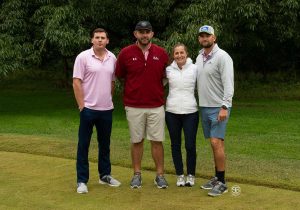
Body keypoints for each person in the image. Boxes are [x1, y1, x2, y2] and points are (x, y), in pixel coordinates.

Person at [115, 21, 169, 189]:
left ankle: (159, 175)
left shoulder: (161, 53)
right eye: (141, 32)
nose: (144, 35)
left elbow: (165, 77)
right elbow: (120, 75)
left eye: (147, 32)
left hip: (156, 105)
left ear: (152, 34)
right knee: (137, 141)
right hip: (133, 105)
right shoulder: (125, 53)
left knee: (157, 141)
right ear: (135, 34)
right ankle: (137, 174)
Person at [73, 28, 121, 194]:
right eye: (97, 37)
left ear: (107, 40)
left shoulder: (112, 58)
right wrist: (82, 106)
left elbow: (112, 83)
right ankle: (82, 180)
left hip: (106, 109)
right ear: (92, 40)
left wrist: (108, 99)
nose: (100, 40)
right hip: (88, 109)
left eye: (103, 38)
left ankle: (105, 175)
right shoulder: (83, 57)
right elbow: (76, 82)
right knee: (84, 145)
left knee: (105, 145)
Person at [196, 25, 234, 197]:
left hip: (219, 107)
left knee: (215, 142)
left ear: (214, 38)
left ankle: (222, 183)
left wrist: (225, 106)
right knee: (216, 144)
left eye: (207, 36)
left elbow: (228, 84)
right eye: (202, 36)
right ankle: (217, 177)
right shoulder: (198, 57)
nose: (205, 39)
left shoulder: (222, 57)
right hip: (204, 106)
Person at [165, 43, 199, 187]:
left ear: (187, 53)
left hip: (191, 111)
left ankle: (191, 175)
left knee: (190, 145)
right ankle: (180, 175)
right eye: (176, 53)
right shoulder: (168, 70)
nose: (179, 55)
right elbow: (157, 85)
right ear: (173, 55)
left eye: (182, 52)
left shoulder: (195, 68)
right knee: (175, 145)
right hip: (172, 112)